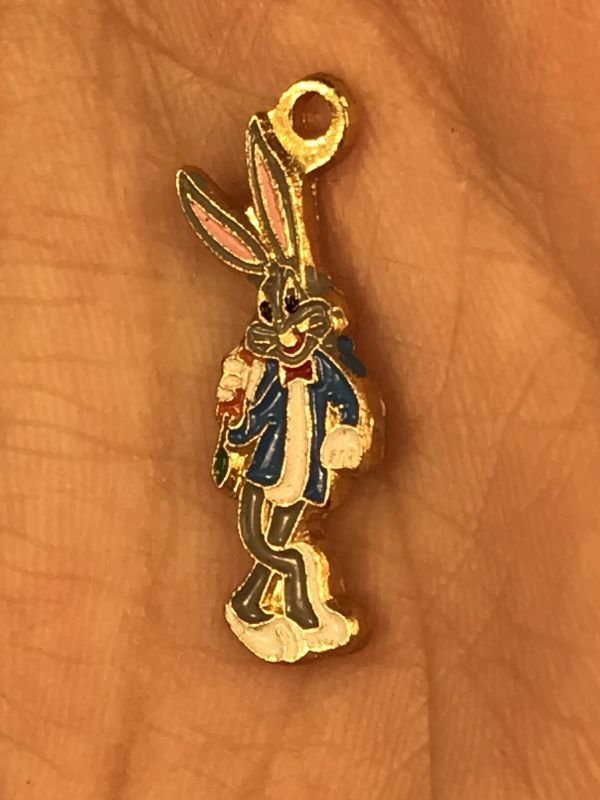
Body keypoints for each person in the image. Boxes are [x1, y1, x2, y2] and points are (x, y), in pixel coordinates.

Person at [1, 2, 599, 798]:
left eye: (294, 309)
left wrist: (346, 432)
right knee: (264, 537)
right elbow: (242, 405)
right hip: (266, 469)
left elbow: (347, 404)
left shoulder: (324, 361)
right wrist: (233, 424)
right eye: (276, 308)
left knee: (275, 539)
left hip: (300, 471)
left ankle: (292, 604)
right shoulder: (260, 355)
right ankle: (283, 603)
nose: (283, 323)